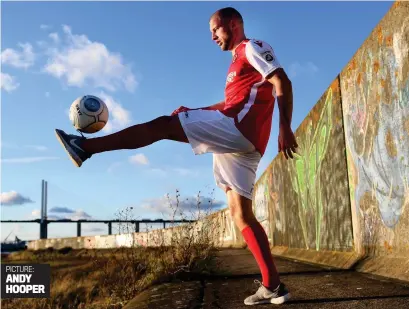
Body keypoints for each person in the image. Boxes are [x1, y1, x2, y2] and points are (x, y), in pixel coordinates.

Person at [55, 7, 297, 306]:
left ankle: (85, 148)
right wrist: (196, 110)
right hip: (243, 142)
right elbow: (230, 102)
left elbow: (281, 81)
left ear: (233, 24)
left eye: (216, 29)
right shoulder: (236, 63)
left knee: (162, 126)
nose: (212, 36)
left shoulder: (251, 47)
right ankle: (273, 286)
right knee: (240, 214)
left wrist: (284, 128)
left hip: (238, 129)